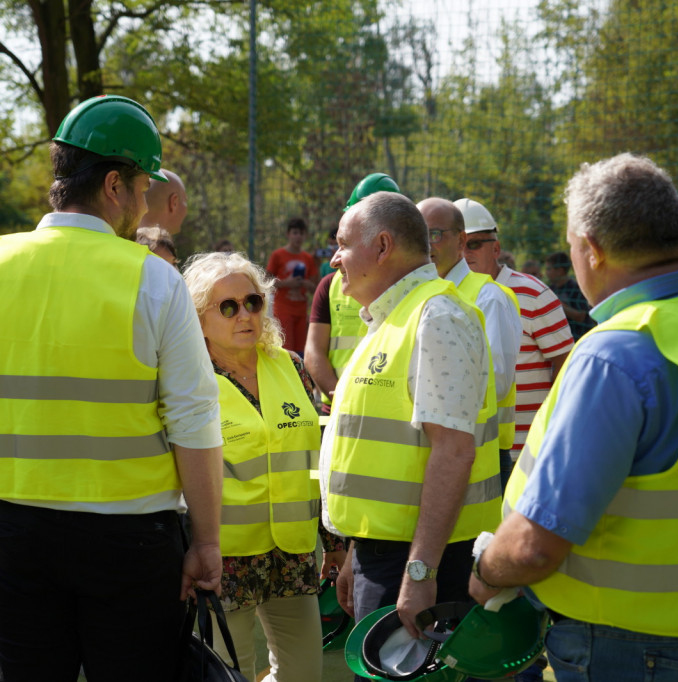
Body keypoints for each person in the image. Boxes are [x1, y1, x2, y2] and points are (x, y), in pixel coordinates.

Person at [0, 95, 224, 680]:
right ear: (114, 185)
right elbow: (195, 424)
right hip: (130, 544)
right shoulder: (155, 282)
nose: (145, 202)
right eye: (142, 186)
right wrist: (206, 541)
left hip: (15, 536)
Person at [469, 153, 678, 682]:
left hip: (633, 647)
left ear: (591, 250)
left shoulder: (615, 353)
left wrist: (482, 571)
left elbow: (532, 548)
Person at [321, 192, 495, 642]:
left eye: (342, 243)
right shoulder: (392, 319)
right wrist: (357, 555)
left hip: (421, 561)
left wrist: (420, 572)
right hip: (387, 557)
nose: (335, 258)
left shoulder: (436, 317)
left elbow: (453, 452)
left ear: (381, 247)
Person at [183, 252, 346, 682]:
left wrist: (332, 539)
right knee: (229, 674)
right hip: (223, 559)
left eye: (252, 301)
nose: (245, 315)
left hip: (293, 553)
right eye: (228, 306)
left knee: (304, 674)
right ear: (198, 319)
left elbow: (315, 460)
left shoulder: (291, 366)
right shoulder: (187, 382)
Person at [461, 204, 574, 473]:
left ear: (496, 249)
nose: (465, 254)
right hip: (470, 447)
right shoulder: (445, 294)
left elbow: (566, 364)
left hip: (527, 449)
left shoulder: (534, 293)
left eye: (474, 244)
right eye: (459, 244)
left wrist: (552, 429)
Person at [419, 198, 520, 492]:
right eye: (420, 236)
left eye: (435, 235)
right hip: (436, 450)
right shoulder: (422, 294)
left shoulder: (488, 297)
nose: (427, 245)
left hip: (480, 453)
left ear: (460, 240)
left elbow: (497, 383)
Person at [305, 173, 401, 413]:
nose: (336, 259)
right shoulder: (330, 286)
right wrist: (340, 396)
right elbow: (314, 351)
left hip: (388, 413)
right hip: (336, 409)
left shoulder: (411, 288)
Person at [267, 217, 317, 353]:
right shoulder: (277, 255)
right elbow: (267, 282)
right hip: (283, 310)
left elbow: (315, 288)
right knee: (285, 349)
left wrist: (305, 284)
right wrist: (286, 283)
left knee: (301, 351)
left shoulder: (308, 258)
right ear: (288, 234)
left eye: (301, 233)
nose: (298, 237)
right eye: (295, 232)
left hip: (301, 311)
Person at [545, 252, 595, 340]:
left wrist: (557, 304)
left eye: (549, 269)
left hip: (579, 339)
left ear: (560, 271)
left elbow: (581, 317)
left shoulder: (576, 288)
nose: (546, 273)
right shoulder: (549, 290)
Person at [140, 168, 188, 234]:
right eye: (185, 201)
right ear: (174, 203)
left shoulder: (122, 242)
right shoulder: (160, 244)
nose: (186, 212)